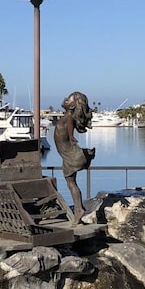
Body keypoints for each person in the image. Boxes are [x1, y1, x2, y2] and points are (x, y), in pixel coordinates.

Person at [53, 91, 95, 225]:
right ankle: (79, 209)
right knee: (71, 183)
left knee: (71, 183)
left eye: (67, 100)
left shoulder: (69, 118)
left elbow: (70, 127)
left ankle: (78, 210)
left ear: (71, 106)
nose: (64, 100)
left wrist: (71, 136)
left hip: (71, 155)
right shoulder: (67, 116)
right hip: (68, 155)